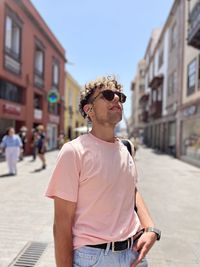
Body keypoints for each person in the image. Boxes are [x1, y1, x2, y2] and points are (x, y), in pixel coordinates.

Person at [46, 76, 161, 267]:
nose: (116, 99)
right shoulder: (74, 151)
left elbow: (132, 191)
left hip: (134, 254)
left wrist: (150, 228)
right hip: (94, 256)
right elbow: (62, 223)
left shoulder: (127, 147)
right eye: (107, 95)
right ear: (89, 109)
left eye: (120, 96)